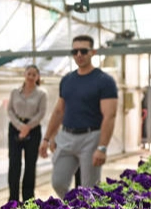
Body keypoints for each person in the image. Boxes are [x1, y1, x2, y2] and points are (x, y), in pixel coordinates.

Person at [39, 35, 118, 198]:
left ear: (93, 52)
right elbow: (59, 111)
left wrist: (102, 147)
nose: (79, 55)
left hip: (91, 138)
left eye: (83, 51)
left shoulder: (105, 81)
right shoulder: (67, 80)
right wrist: (46, 138)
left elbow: (109, 115)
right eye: (75, 51)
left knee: (90, 189)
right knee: (58, 182)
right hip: (67, 137)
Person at [6, 65, 47, 203]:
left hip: (33, 130)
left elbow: (41, 113)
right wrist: (19, 126)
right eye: (29, 74)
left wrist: (28, 127)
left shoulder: (41, 94)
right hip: (15, 128)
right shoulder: (14, 92)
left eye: (34, 74)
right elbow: (10, 110)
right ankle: (13, 199)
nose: (31, 77)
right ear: (24, 74)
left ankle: (28, 199)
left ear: (38, 77)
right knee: (14, 163)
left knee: (30, 164)